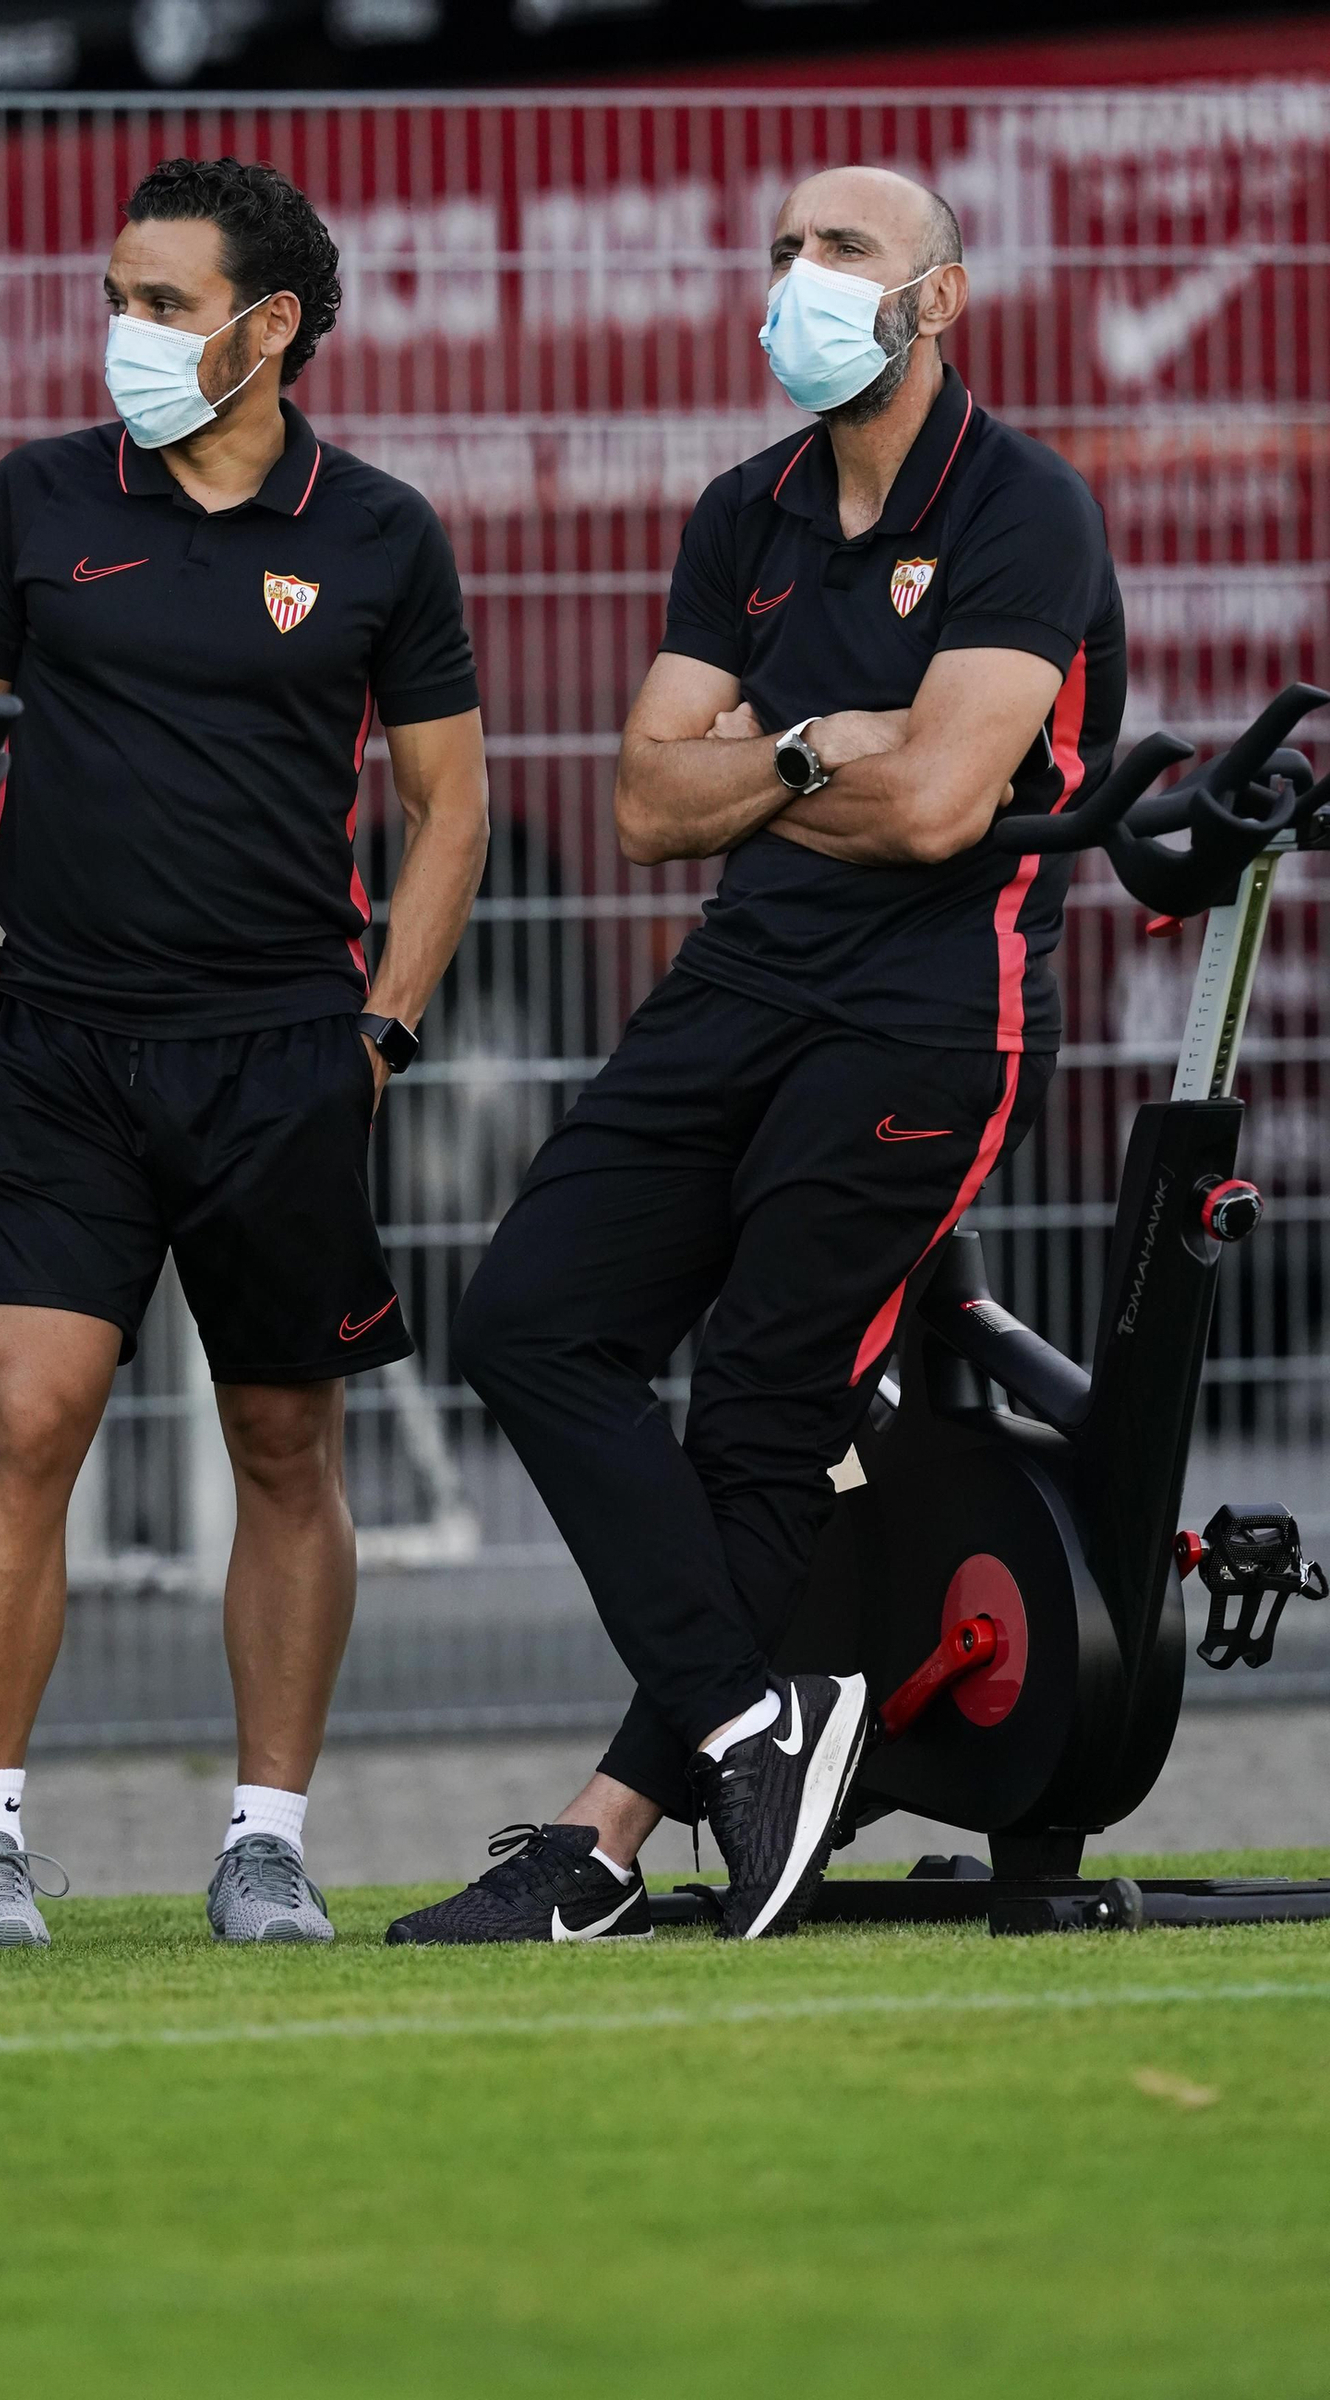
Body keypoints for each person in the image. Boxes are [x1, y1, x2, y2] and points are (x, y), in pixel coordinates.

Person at [388, 165, 1126, 1947]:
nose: (797, 275)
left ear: (936, 300)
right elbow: (649, 800)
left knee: (766, 1409)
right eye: (784, 248)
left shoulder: (1026, 509)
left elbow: (952, 804)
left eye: (843, 250)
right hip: (738, 981)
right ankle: (752, 1722)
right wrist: (811, 748)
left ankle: (603, 1840)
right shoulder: (748, 511)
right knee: (527, 1323)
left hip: (930, 1010)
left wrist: (783, 767)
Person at [0, 157, 488, 1950]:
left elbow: (450, 808)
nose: (126, 334)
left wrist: (380, 1034)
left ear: (272, 326)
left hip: (283, 1063)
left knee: (285, 1443)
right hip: (58, 1057)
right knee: (28, 1418)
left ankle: (266, 1843)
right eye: (118, 296)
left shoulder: (380, 529)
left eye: (162, 303)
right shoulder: (33, 503)